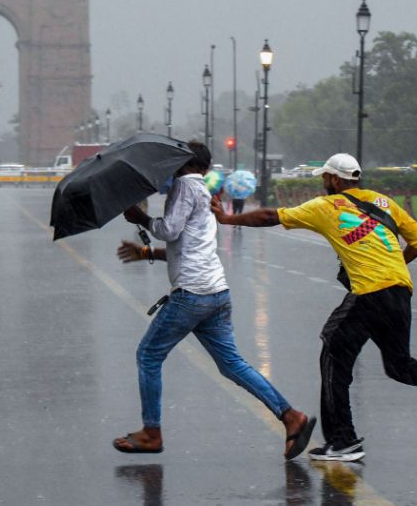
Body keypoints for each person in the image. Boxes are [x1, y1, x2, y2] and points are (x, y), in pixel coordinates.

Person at [211, 152, 417, 462]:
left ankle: (343, 441)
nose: (324, 183)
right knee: (400, 366)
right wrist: (394, 266)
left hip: (369, 293)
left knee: (333, 353)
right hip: (400, 291)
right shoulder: (383, 203)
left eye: (326, 178)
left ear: (336, 180)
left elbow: (270, 216)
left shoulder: (326, 206)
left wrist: (228, 219)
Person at [112, 140, 316, 459]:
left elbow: (169, 230)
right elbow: (189, 247)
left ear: (181, 163)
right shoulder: (204, 191)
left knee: (148, 355)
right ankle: (291, 416)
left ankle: (152, 433)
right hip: (216, 293)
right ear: (205, 168)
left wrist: (141, 218)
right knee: (232, 364)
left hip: (192, 295)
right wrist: (147, 252)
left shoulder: (183, 186)